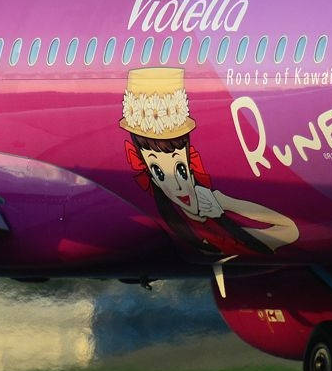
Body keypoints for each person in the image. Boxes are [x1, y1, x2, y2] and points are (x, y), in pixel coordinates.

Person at [120, 67, 298, 257]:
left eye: (181, 170)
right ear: (153, 179)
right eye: (159, 173)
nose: (179, 187)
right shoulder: (193, 231)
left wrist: (224, 203)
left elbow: (290, 231)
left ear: (190, 165)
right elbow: (288, 231)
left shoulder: (221, 231)